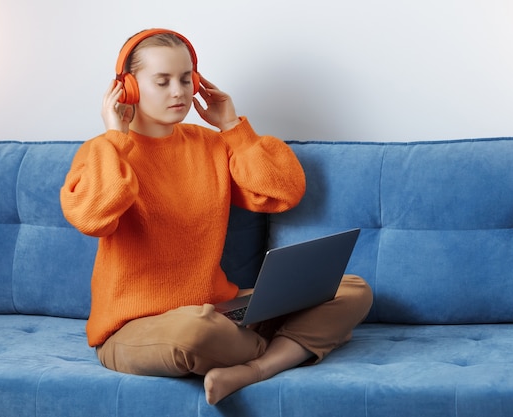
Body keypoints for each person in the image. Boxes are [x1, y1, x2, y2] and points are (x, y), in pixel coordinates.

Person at [60, 28, 373, 405]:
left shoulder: (209, 145)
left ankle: (256, 367)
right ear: (126, 88)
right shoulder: (102, 152)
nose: (180, 91)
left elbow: (282, 192)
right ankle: (293, 346)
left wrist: (230, 127)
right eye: (162, 81)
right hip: (138, 329)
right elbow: (93, 217)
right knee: (194, 333)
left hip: (219, 310)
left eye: (186, 77)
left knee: (349, 288)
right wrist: (115, 138)